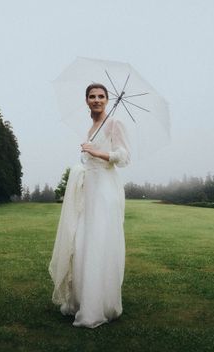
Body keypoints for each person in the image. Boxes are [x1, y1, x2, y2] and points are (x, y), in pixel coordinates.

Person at [49, 83, 130, 328]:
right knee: (82, 241)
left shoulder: (115, 124)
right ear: (86, 100)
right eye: (92, 96)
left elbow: (124, 156)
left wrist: (96, 153)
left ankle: (99, 307)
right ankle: (81, 300)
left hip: (105, 190)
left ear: (107, 99)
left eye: (101, 96)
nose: (97, 100)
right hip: (89, 189)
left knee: (98, 242)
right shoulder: (92, 127)